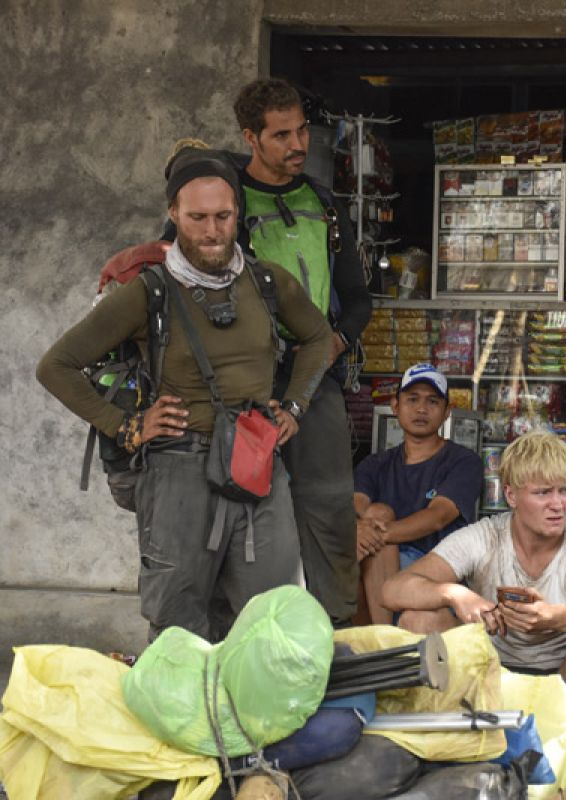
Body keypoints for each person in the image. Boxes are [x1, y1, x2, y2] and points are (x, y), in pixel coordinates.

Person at [36, 149, 333, 641]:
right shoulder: (147, 292)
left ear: (238, 213)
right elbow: (56, 366)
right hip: (178, 468)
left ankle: (252, 718)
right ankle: (183, 718)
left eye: (223, 216)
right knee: (179, 628)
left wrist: (296, 405)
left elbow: (319, 338)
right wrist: (127, 426)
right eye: (197, 218)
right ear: (174, 214)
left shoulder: (267, 282)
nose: (212, 230)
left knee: (273, 623)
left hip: (256, 463)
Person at [381, 430, 566, 752]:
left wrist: (555, 617)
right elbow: (393, 590)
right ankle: (446, 751)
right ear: (511, 496)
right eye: (542, 493)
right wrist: (456, 594)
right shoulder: (484, 537)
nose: (557, 505)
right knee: (419, 619)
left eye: (565, 491)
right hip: (489, 679)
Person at [231, 78, 371, 626]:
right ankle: (247, 634)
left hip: (317, 384)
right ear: (251, 137)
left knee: (332, 510)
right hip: (246, 387)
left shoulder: (323, 203)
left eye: (302, 130)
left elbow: (359, 300)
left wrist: (333, 343)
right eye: (281, 134)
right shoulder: (226, 202)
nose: (298, 144)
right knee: (244, 514)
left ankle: (334, 632)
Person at [353, 363, 484, 625]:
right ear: (395, 406)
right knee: (368, 520)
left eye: (432, 401)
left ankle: (384, 642)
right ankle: (379, 638)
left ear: (447, 412)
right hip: (376, 572)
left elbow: (438, 516)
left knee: (375, 527)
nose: (421, 409)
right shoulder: (375, 464)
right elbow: (355, 507)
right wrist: (358, 529)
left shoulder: (463, 461)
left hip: (433, 572)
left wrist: (378, 533)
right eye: (412, 399)